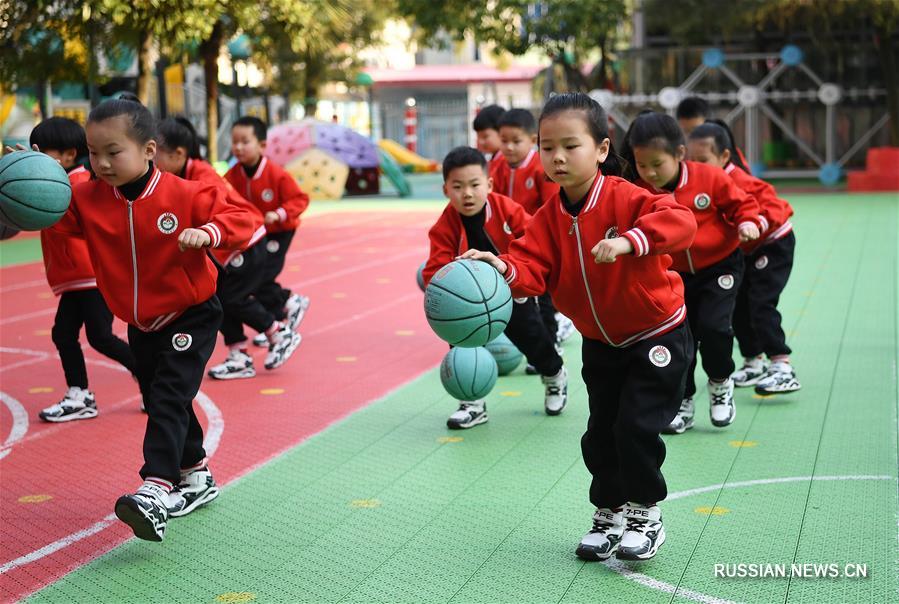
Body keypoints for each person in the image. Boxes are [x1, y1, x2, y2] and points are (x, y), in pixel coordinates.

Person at [462, 93, 697, 561]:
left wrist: (632, 241)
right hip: (600, 342)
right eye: (548, 147)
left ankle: (645, 514)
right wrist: (500, 268)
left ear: (603, 150)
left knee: (634, 427)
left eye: (571, 145)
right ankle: (608, 513)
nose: (558, 157)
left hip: (656, 333)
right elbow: (532, 267)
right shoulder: (549, 216)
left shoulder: (626, 198)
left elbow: (681, 221)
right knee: (600, 432)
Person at [48, 99, 257, 541]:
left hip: (191, 313)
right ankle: (196, 476)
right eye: (93, 152)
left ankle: (156, 487)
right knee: (168, 396)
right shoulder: (86, 198)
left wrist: (210, 232)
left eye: (113, 151)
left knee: (165, 397)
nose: (101, 163)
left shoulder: (185, 194)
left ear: (147, 150)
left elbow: (244, 216)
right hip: (140, 322)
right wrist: (26, 183)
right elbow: (47, 214)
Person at [625, 112, 762, 433]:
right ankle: (683, 400)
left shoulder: (709, 178)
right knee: (680, 339)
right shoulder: (641, 191)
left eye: (658, 164)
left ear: (679, 154)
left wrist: (748, 222)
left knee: (713, 327)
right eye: (642, 165)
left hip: (720, 265)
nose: (650, 173)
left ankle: (719, 382)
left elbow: (741, 204)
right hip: (673, 274)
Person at [422, 146, 568, 429]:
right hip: (467, 305)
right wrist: (448, 286)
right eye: (458, 186)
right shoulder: (444, 226)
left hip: (511, 293)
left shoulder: (507, 210)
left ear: (488, 184)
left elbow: (534, 242)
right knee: (461, 349)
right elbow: (434, 270)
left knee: (534, 342)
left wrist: (511, 268)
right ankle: (472, 403)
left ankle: (554, 375)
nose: (467, 193)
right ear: (445, 189)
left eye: (474, 185)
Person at [155, 117, 300, 378]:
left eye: (156, 156)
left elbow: (222, 212)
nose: (152, 164)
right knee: (219, 300)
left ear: (178, 154)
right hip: (229, 245)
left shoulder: (202, 176)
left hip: (247, 240)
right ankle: (238, 354)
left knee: (232, 298)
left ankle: (279, 332)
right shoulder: (182, 175)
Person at [29, 117, 137, 422]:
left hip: (93, 277)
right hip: (74, 279)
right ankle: (80, 394)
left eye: (41, 152)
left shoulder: (80, 185)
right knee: (63, 334)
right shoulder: (53, 183)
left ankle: (151, 378)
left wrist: (30, 180)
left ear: (67, 154)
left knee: (100, 336)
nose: (35, 157)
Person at [687, 121, 800, 395]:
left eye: (703, 160)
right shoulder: (698, 181)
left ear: (724, 157)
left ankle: (782, 366)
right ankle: (753, 360)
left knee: (760, 303)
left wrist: (756, 224)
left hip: (772, 244)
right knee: (737, 306)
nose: (696, 166)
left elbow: (775, 205)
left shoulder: (738, 179)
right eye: (691, 160)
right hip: (742, 252)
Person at [491, 108, 575, 354]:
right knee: (519, 298)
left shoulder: (541, 168)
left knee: (542, 297)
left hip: (538, 244)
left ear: (531, 140)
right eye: (504, 141)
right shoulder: (498, 167)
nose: (508, 147)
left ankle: (552, 341)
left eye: (516, 141)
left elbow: (551, 206)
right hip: (510, 246)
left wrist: (546, 238)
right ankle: (527, 344)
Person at [225, 116, 310, 347]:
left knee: (260, 278)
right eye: (235, 142)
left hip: (278, 233)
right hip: (254, 237)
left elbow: (300, 199)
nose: (239, 147)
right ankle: (280, 316)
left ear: (262, 145)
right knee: (250, 280)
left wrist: (279, 213)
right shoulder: (231, 177)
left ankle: (288, 301)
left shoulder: (276, 174)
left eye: (245, 141)